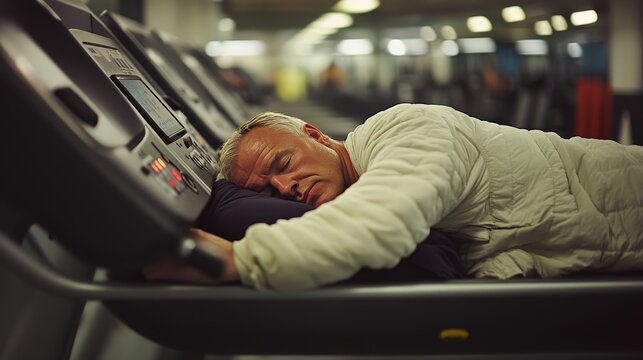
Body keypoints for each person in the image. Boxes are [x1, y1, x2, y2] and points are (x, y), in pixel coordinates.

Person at [145, 104, 643, 291]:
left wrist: (240, 260)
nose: (284, 189)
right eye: (266, 191)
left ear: (317, 135)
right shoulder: (356, 173)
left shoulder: (405, 130)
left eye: (283, 164)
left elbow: (382, 219)